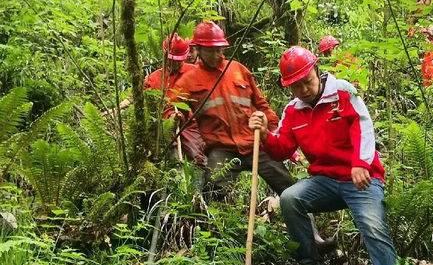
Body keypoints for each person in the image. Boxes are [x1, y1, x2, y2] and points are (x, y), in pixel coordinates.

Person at [249, 46, 397, 265]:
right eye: (296, 86)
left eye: (307, 81)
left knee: (373, 228)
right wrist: (266, 135)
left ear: (316, 71)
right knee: (290, 198)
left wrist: (360, 163)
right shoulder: (292, 111)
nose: (304, 89)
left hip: (362, 179)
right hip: (325, 181)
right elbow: (282, 150)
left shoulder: (343, 92)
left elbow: (363, 126)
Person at [173, 20, 295, 199]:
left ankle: (306, 225)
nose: (217, 55)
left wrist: (273, 130)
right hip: (221, 148)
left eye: (220, 49)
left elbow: (261, 104)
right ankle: (212, 226)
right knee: (213, 192)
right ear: (198, 49)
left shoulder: (238, 70)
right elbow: (171, 108)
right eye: (211, 50)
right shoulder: (188, 81)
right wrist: (173, 117)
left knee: (289, 188)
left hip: (253, 142)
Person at [108, 33, 206, 165]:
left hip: (188, 124)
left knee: (198, 158)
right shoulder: (153, 78)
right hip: (163, 127)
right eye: (173, 59)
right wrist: (115, 109)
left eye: (179, 60)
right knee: (170, 160)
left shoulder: (194, 72)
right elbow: (134, 97)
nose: (176, 63)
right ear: (165, 56)